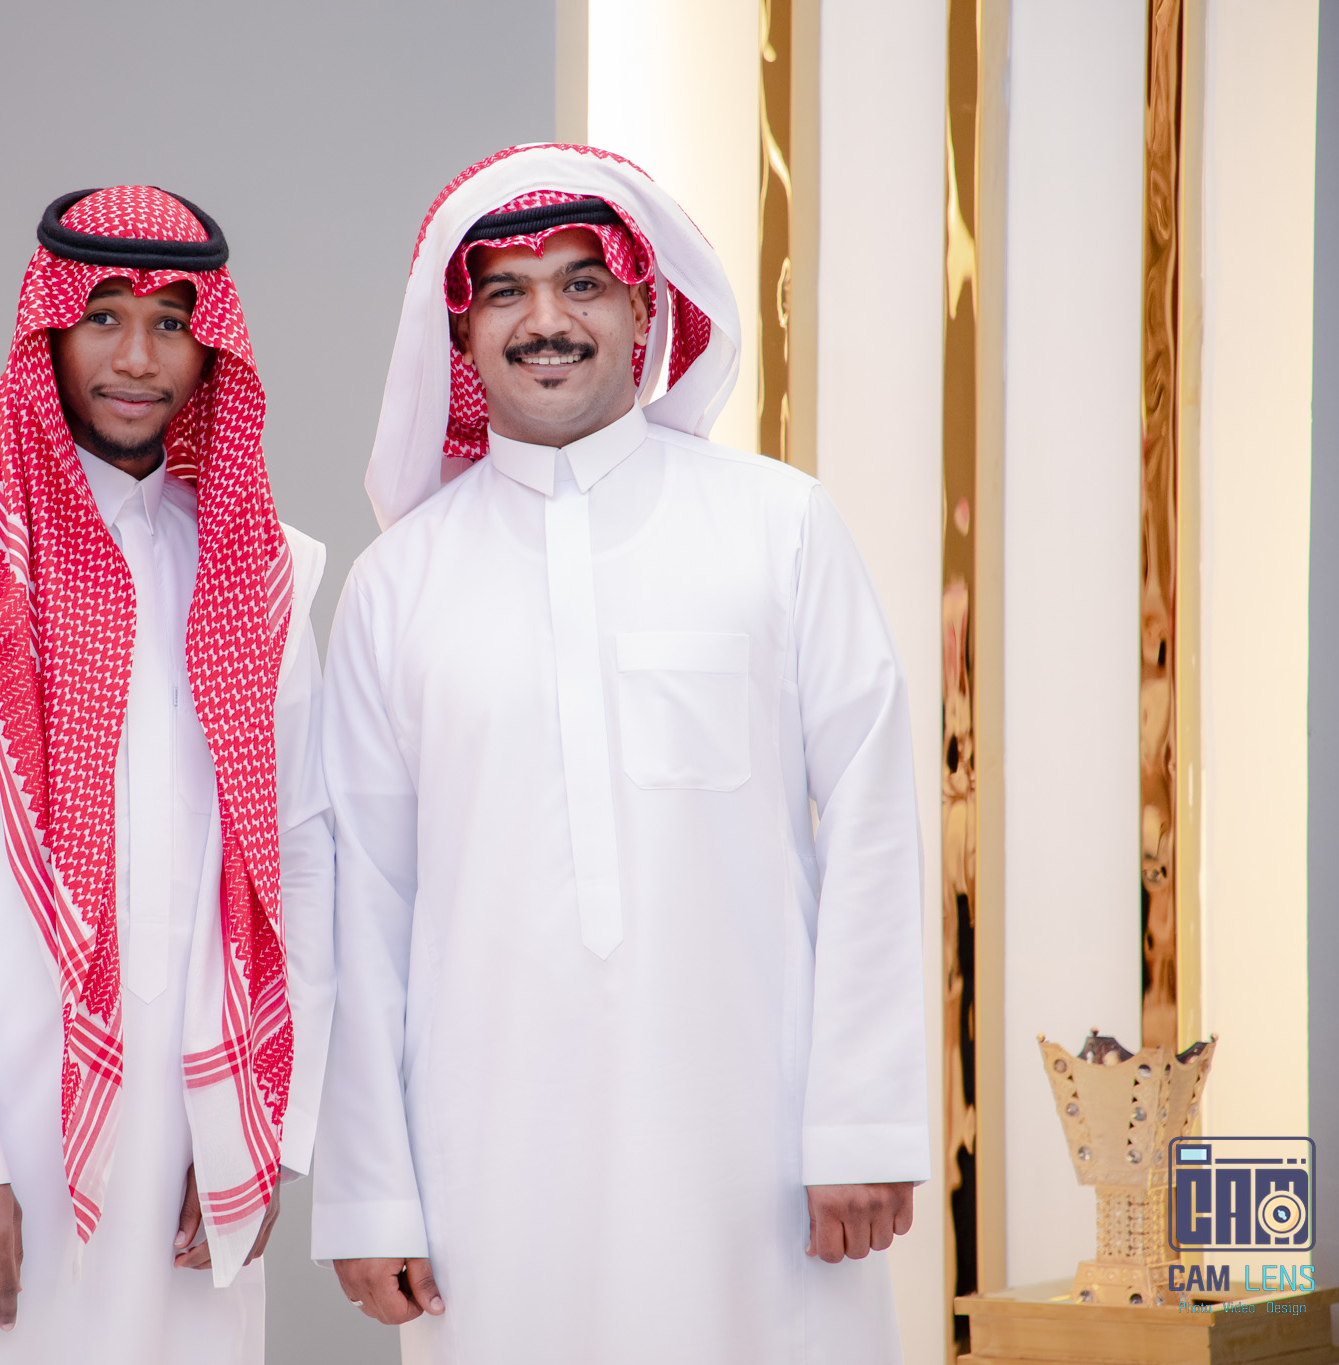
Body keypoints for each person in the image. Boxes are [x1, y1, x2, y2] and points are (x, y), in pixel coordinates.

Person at [313, 145, 929, 1363]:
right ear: (460, 333)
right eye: (504, 291)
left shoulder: (776, 523)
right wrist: (371, 1191)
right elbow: (360, 904)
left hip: (755, 1151)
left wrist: (859, 1123)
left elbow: (871, 827)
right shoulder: (397, 585)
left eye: (581, 283)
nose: (545, 320)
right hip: (488, 1166)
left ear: (646, 310)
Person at [0, 185, 333, 1363]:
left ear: (211, 347)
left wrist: (256, 1126)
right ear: (47, 329)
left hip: (194, 1124)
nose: (137, 358)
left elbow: (303, 852)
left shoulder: (255, 563)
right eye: (103, 316)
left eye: (170, 324)